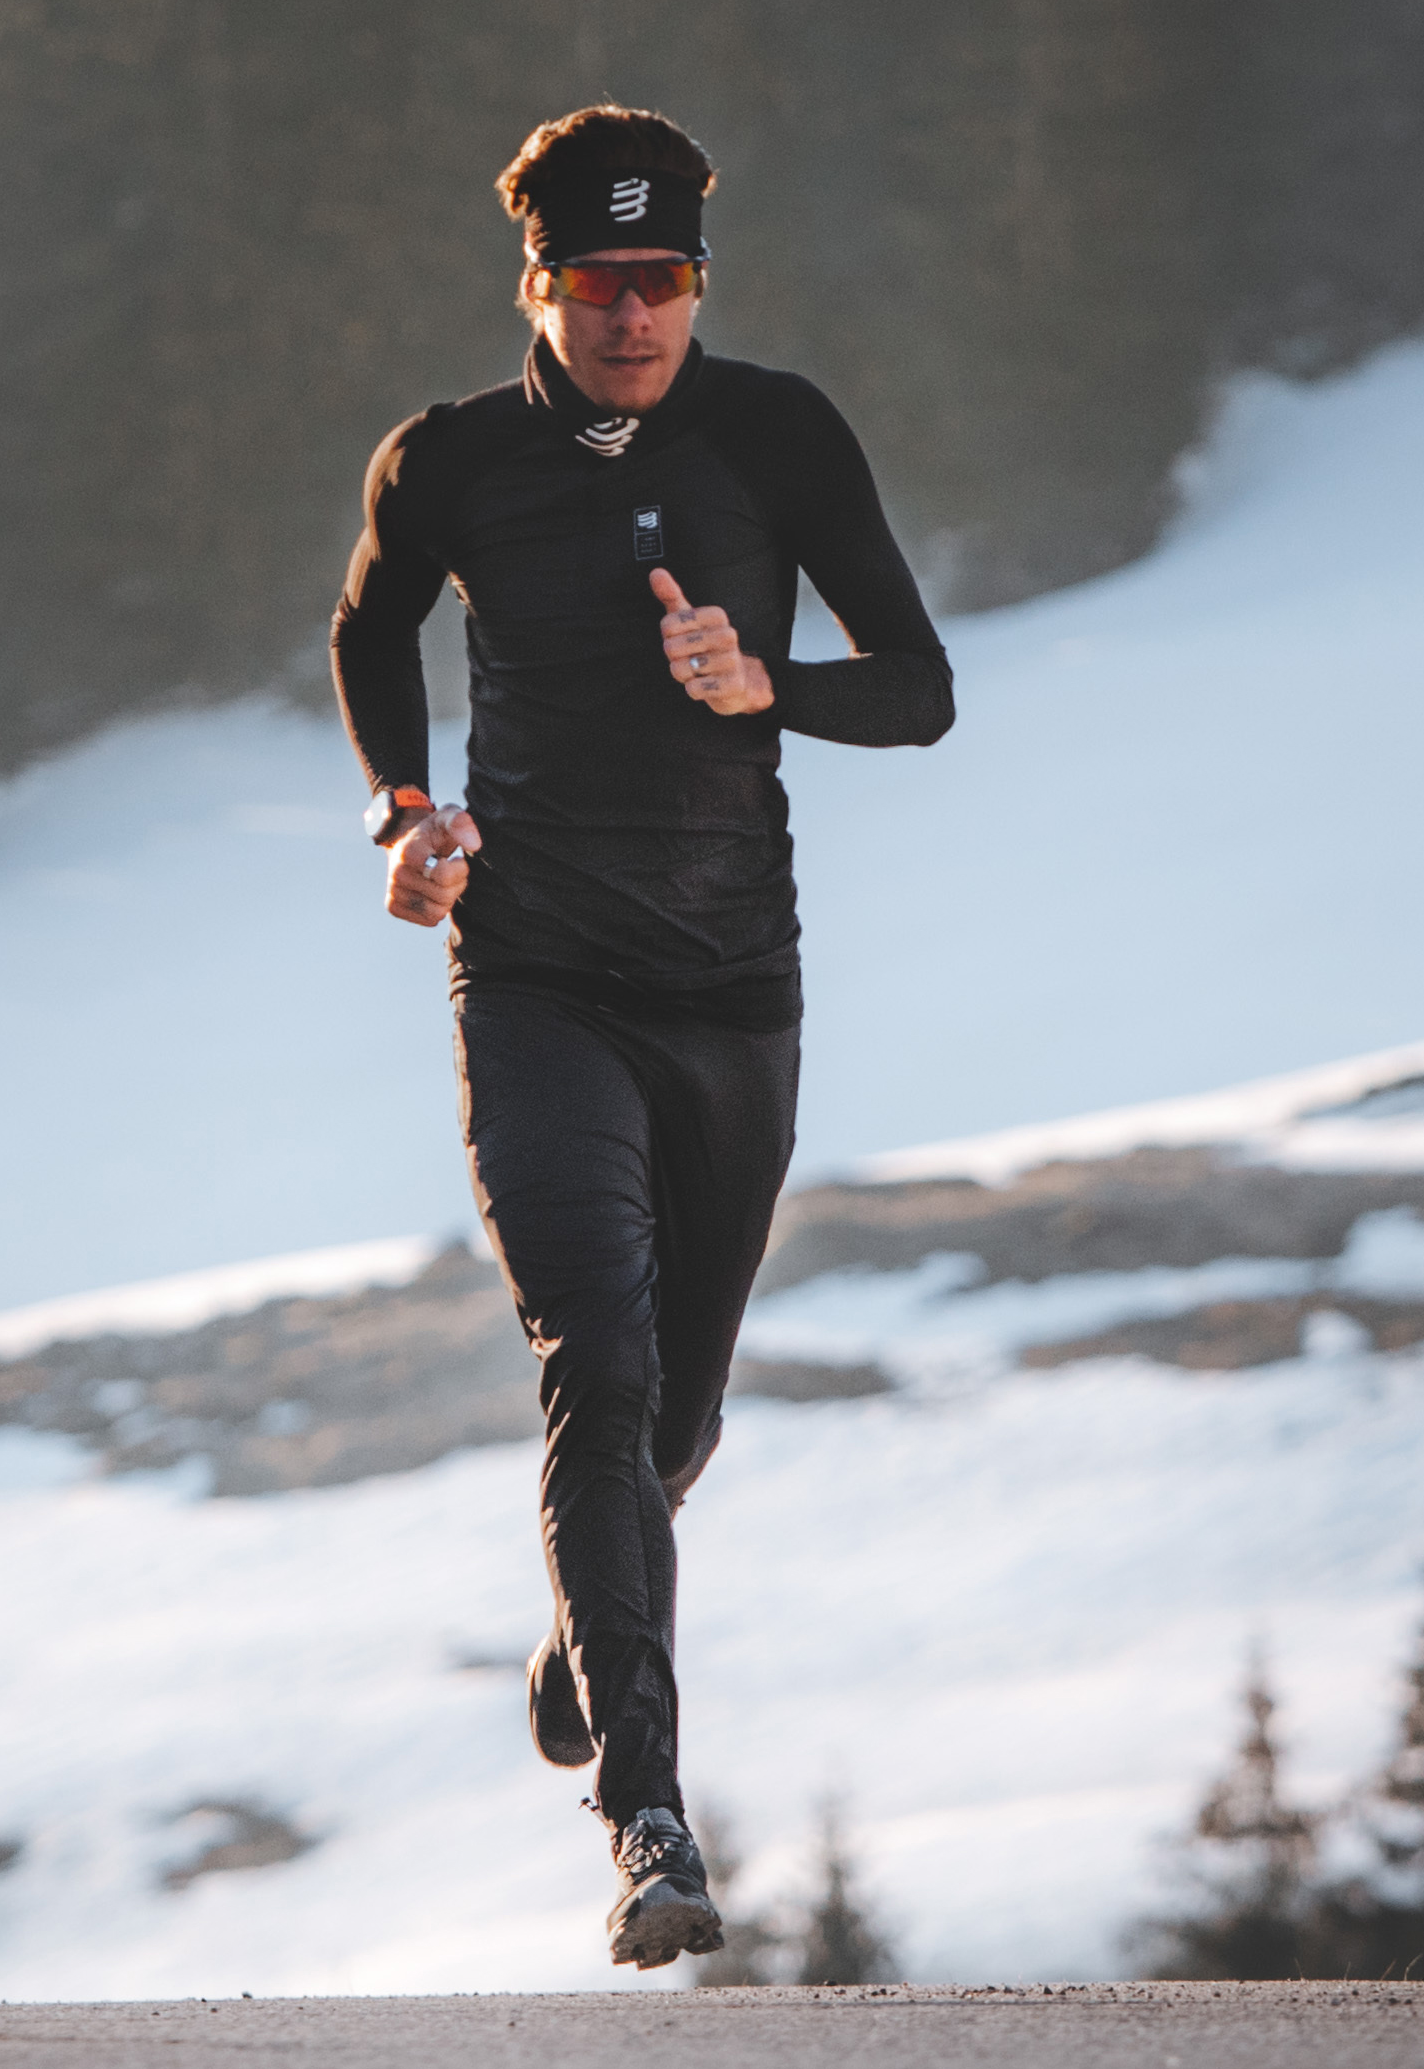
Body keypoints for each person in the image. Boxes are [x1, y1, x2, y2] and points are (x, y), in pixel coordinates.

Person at [326, 104, 952, 1970]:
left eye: (661, 280)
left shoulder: (778, 433)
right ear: (539, 282)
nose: (631, 317)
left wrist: (770, 684)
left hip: (731, 997)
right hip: (534, 985)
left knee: (668, 1418)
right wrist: (403, 815)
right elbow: (366, 641)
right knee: (592, 1364)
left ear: (697, 278)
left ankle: (588, 1633)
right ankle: (650, 1821)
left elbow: (918, 689)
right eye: (598, 284)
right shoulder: (447, 462)